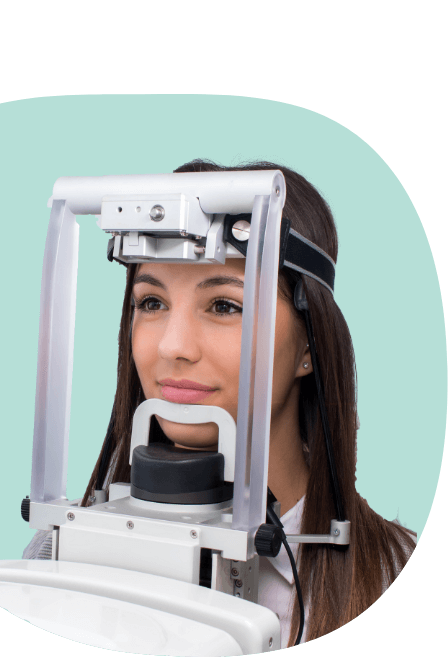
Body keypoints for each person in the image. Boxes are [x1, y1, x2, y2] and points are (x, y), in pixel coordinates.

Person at [23, 159, 416, 647]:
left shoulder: (387, 574)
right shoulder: (57, 552)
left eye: (225, 306)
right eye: (151, 303)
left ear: (310, 347)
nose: (172, 346)